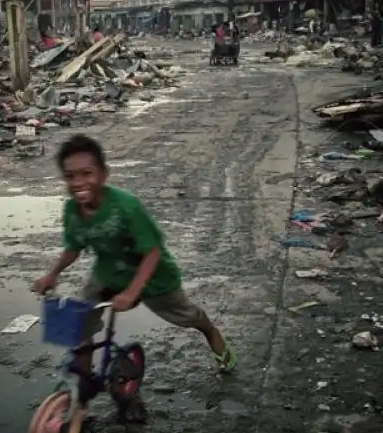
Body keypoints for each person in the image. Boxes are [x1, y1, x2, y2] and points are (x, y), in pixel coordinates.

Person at [33, 135, 237, 401]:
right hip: (108, 273)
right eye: (71, 176)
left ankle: (212, 333)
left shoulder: (126, 206)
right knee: (81, 324)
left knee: (191, 318)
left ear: (103, 174)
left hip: (153, 278)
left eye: (87, 173)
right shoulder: (72, 210)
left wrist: (132, 292)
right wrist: (52, 273)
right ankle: (82, 388)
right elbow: (74, 246)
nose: (79, 183)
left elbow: (152, 252)